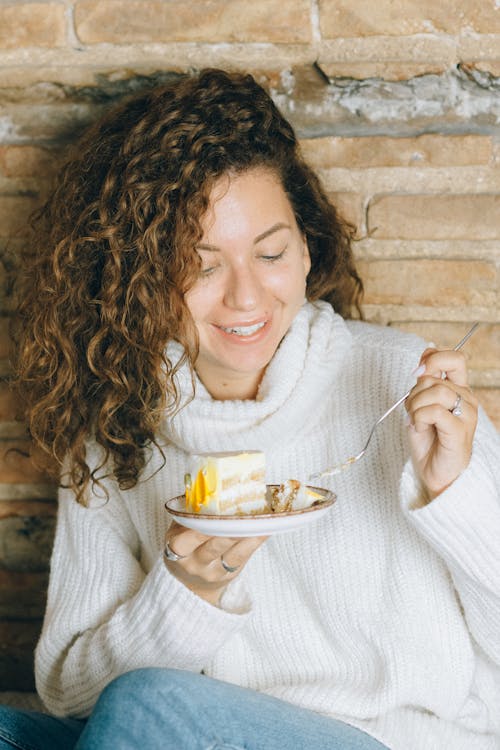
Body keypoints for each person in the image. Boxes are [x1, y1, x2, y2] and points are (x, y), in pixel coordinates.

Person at [0, 68, 499, 750]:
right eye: (202, 265)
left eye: (270, 253)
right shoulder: (119, 428)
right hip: (198, 735)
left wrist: (454, 493)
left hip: (392, 740)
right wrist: (185, 592)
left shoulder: (400, 385)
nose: (246, 298)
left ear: (305, 246)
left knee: (151, 708)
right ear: (137, 278)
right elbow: (68, 688)